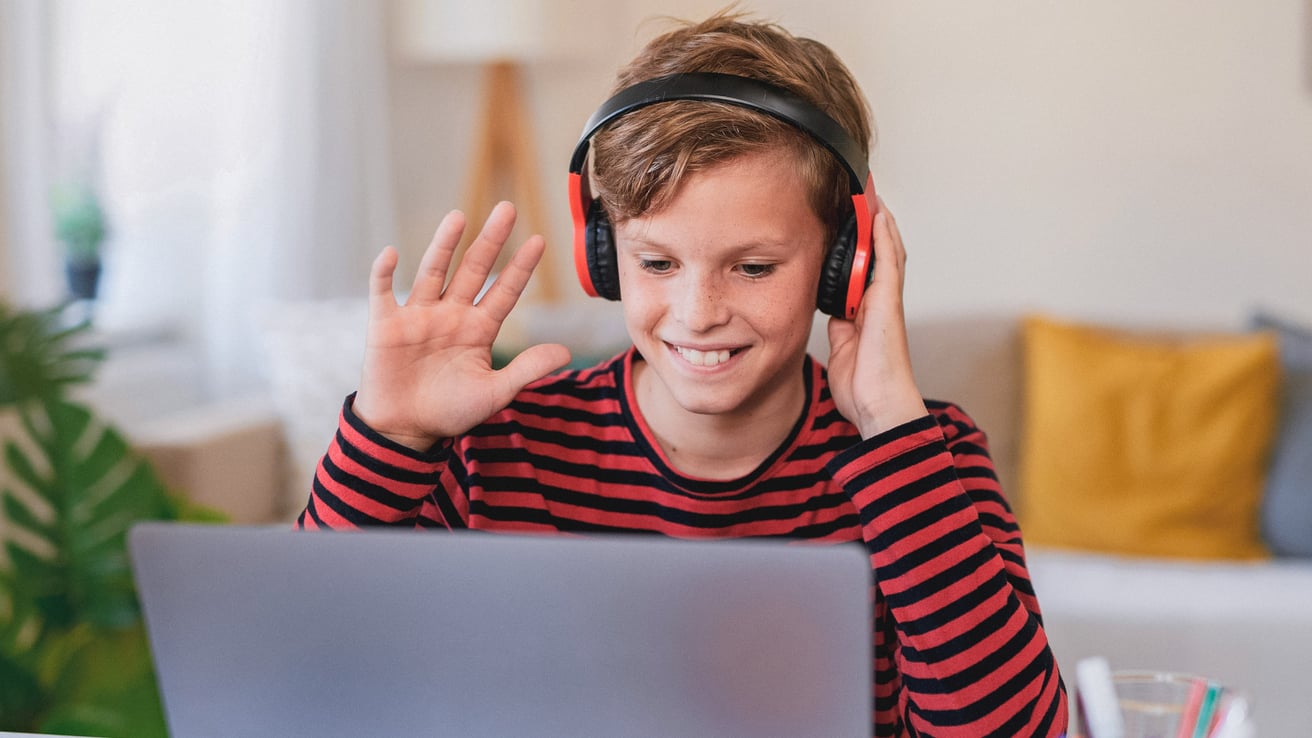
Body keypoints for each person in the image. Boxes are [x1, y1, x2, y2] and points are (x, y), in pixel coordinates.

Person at [297, 10, 1068, 737]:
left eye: (754, 267)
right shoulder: (495, 451)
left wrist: (890, 428)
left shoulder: (926, 460)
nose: (698, 314)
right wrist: (388, 437)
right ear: (605, 254)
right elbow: (303, 679)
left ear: (845, 262)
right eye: (658, 263)